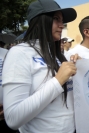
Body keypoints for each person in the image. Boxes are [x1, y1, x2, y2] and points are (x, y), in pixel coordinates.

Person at [2, 0, 78, 132]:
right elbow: (13, 118)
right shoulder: (20, 53)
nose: (62, 25)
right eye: (56, 19)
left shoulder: (57, 54)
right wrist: (57, 81)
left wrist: (85, 67)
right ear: (39, 21)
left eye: (62, 20)